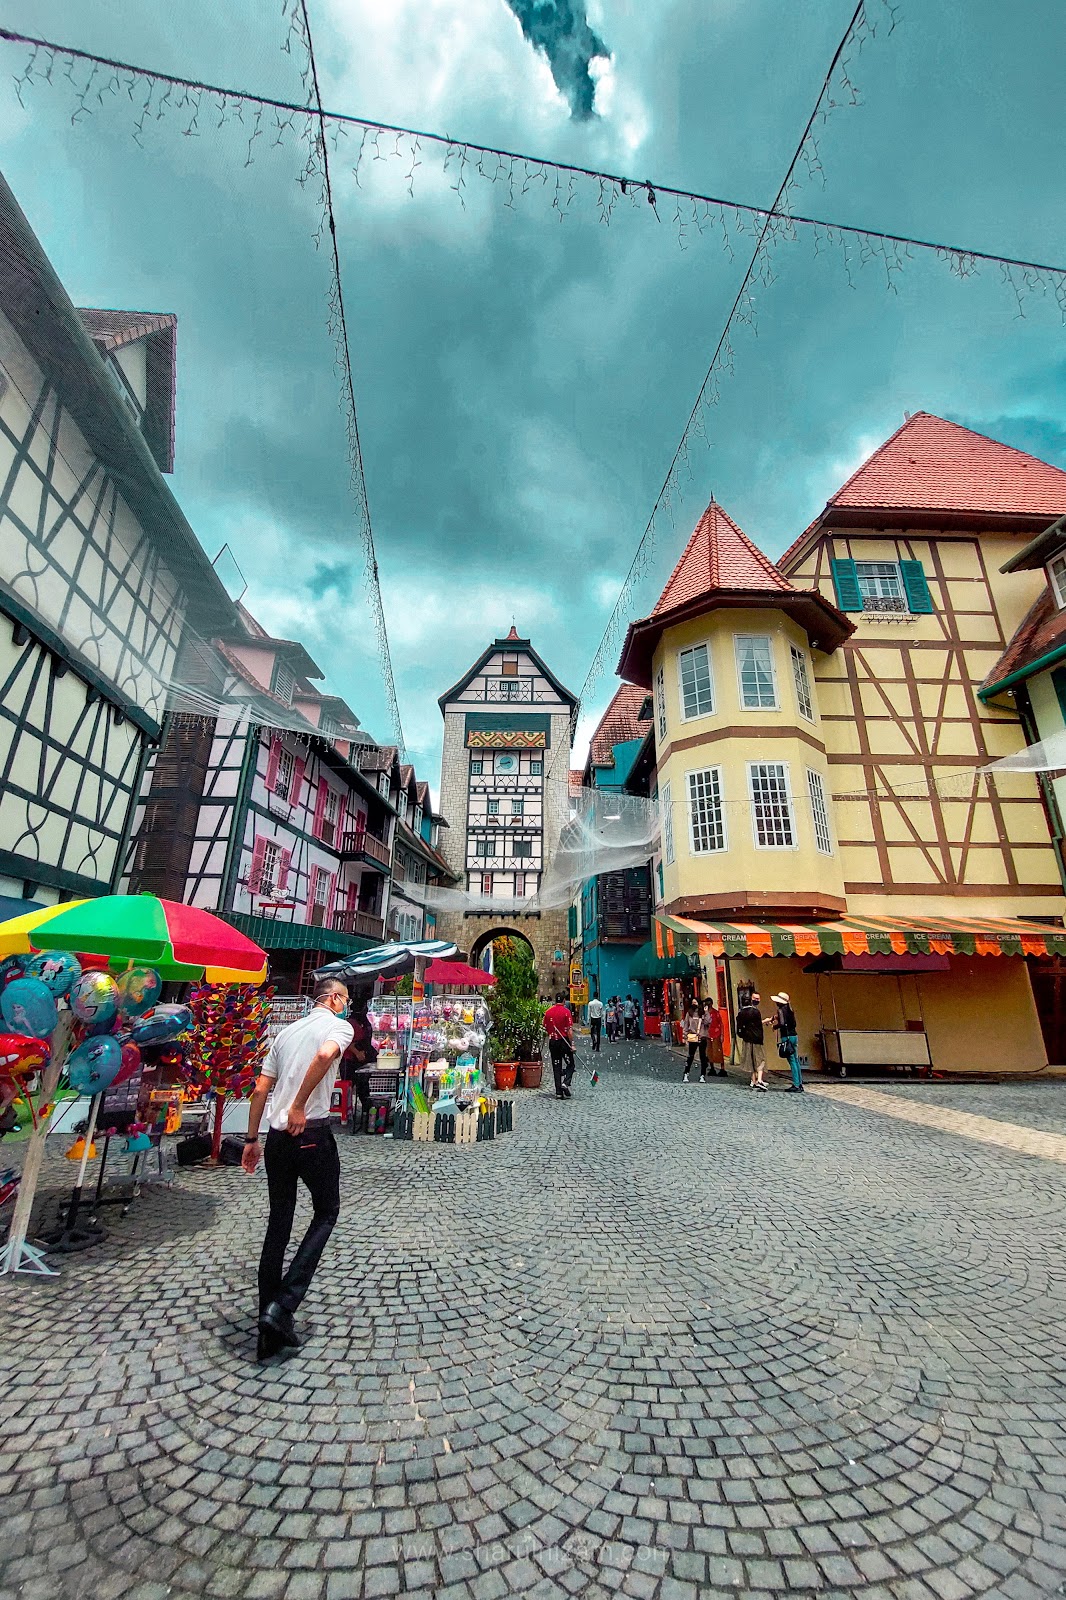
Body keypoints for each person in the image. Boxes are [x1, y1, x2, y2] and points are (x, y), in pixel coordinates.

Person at [243, 978, 354, 1359]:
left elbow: (260, 1089)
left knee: (279, 1222)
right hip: (310, 1131)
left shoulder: (285, 1034)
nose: (346, 1005)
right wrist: (299, 1105)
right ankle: (284, 1305)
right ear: (334, 998)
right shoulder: (338, 1026)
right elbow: (324, 1057)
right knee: (327, 1211)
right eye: (345, 999)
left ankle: (266, 1329)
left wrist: (251, 1140)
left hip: (275, 1139)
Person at [770, 991, 803, 1092]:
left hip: (787, 1037)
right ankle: (800, 1083)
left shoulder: (781, 1010)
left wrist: (775, 1026)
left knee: (792, 1060)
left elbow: (783, 1024)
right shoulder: (790, 1010)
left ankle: (796, 1084)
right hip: (794, 1035)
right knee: (796, 1060)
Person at [543, 997, 576, 1099]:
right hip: (564, 1042)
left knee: (556, 1065)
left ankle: (558, 1092)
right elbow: (569, 1031)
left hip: (553, 1042)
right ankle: (565, 1083)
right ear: (564, 1001)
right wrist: (572, 1044)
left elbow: (544, 1026)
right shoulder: (566, 1012)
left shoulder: (548, 1012)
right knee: (571, 1064)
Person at [736, 989, 767, 1092]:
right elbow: (757, 1025)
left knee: (751, 1060)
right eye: (755, 999)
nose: (756, 1000)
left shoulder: (741, 1013)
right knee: (760, 1060)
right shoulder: (755, 1012)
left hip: (747, 1038)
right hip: (756, 1038)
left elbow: (741, 1027)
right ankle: (759, 1080)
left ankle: (753, 1081)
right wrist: (766, 1021)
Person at [681, 1000, 705, 1082]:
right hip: (692, 1036)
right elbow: (686, 1025)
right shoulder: (689, 1013)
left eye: (695, 1002)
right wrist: (684, 1035)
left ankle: (702, 1075)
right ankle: (686, 1074)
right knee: (690, 1056)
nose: (694, 1004)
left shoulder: (703, 1013)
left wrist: (705, 1013)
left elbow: (709, 1021)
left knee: (703, 1057)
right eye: (693, 1002)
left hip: (702, 1037)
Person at [703, 999, 726, 1078]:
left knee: (718, 1051)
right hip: (708, 1034)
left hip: (716, 1034)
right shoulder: (704, 1014)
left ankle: (722, 1068)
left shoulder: (715, 1013)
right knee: (709, 1052)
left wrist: (722, 1035)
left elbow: (721, 1024)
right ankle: (712, 1068)